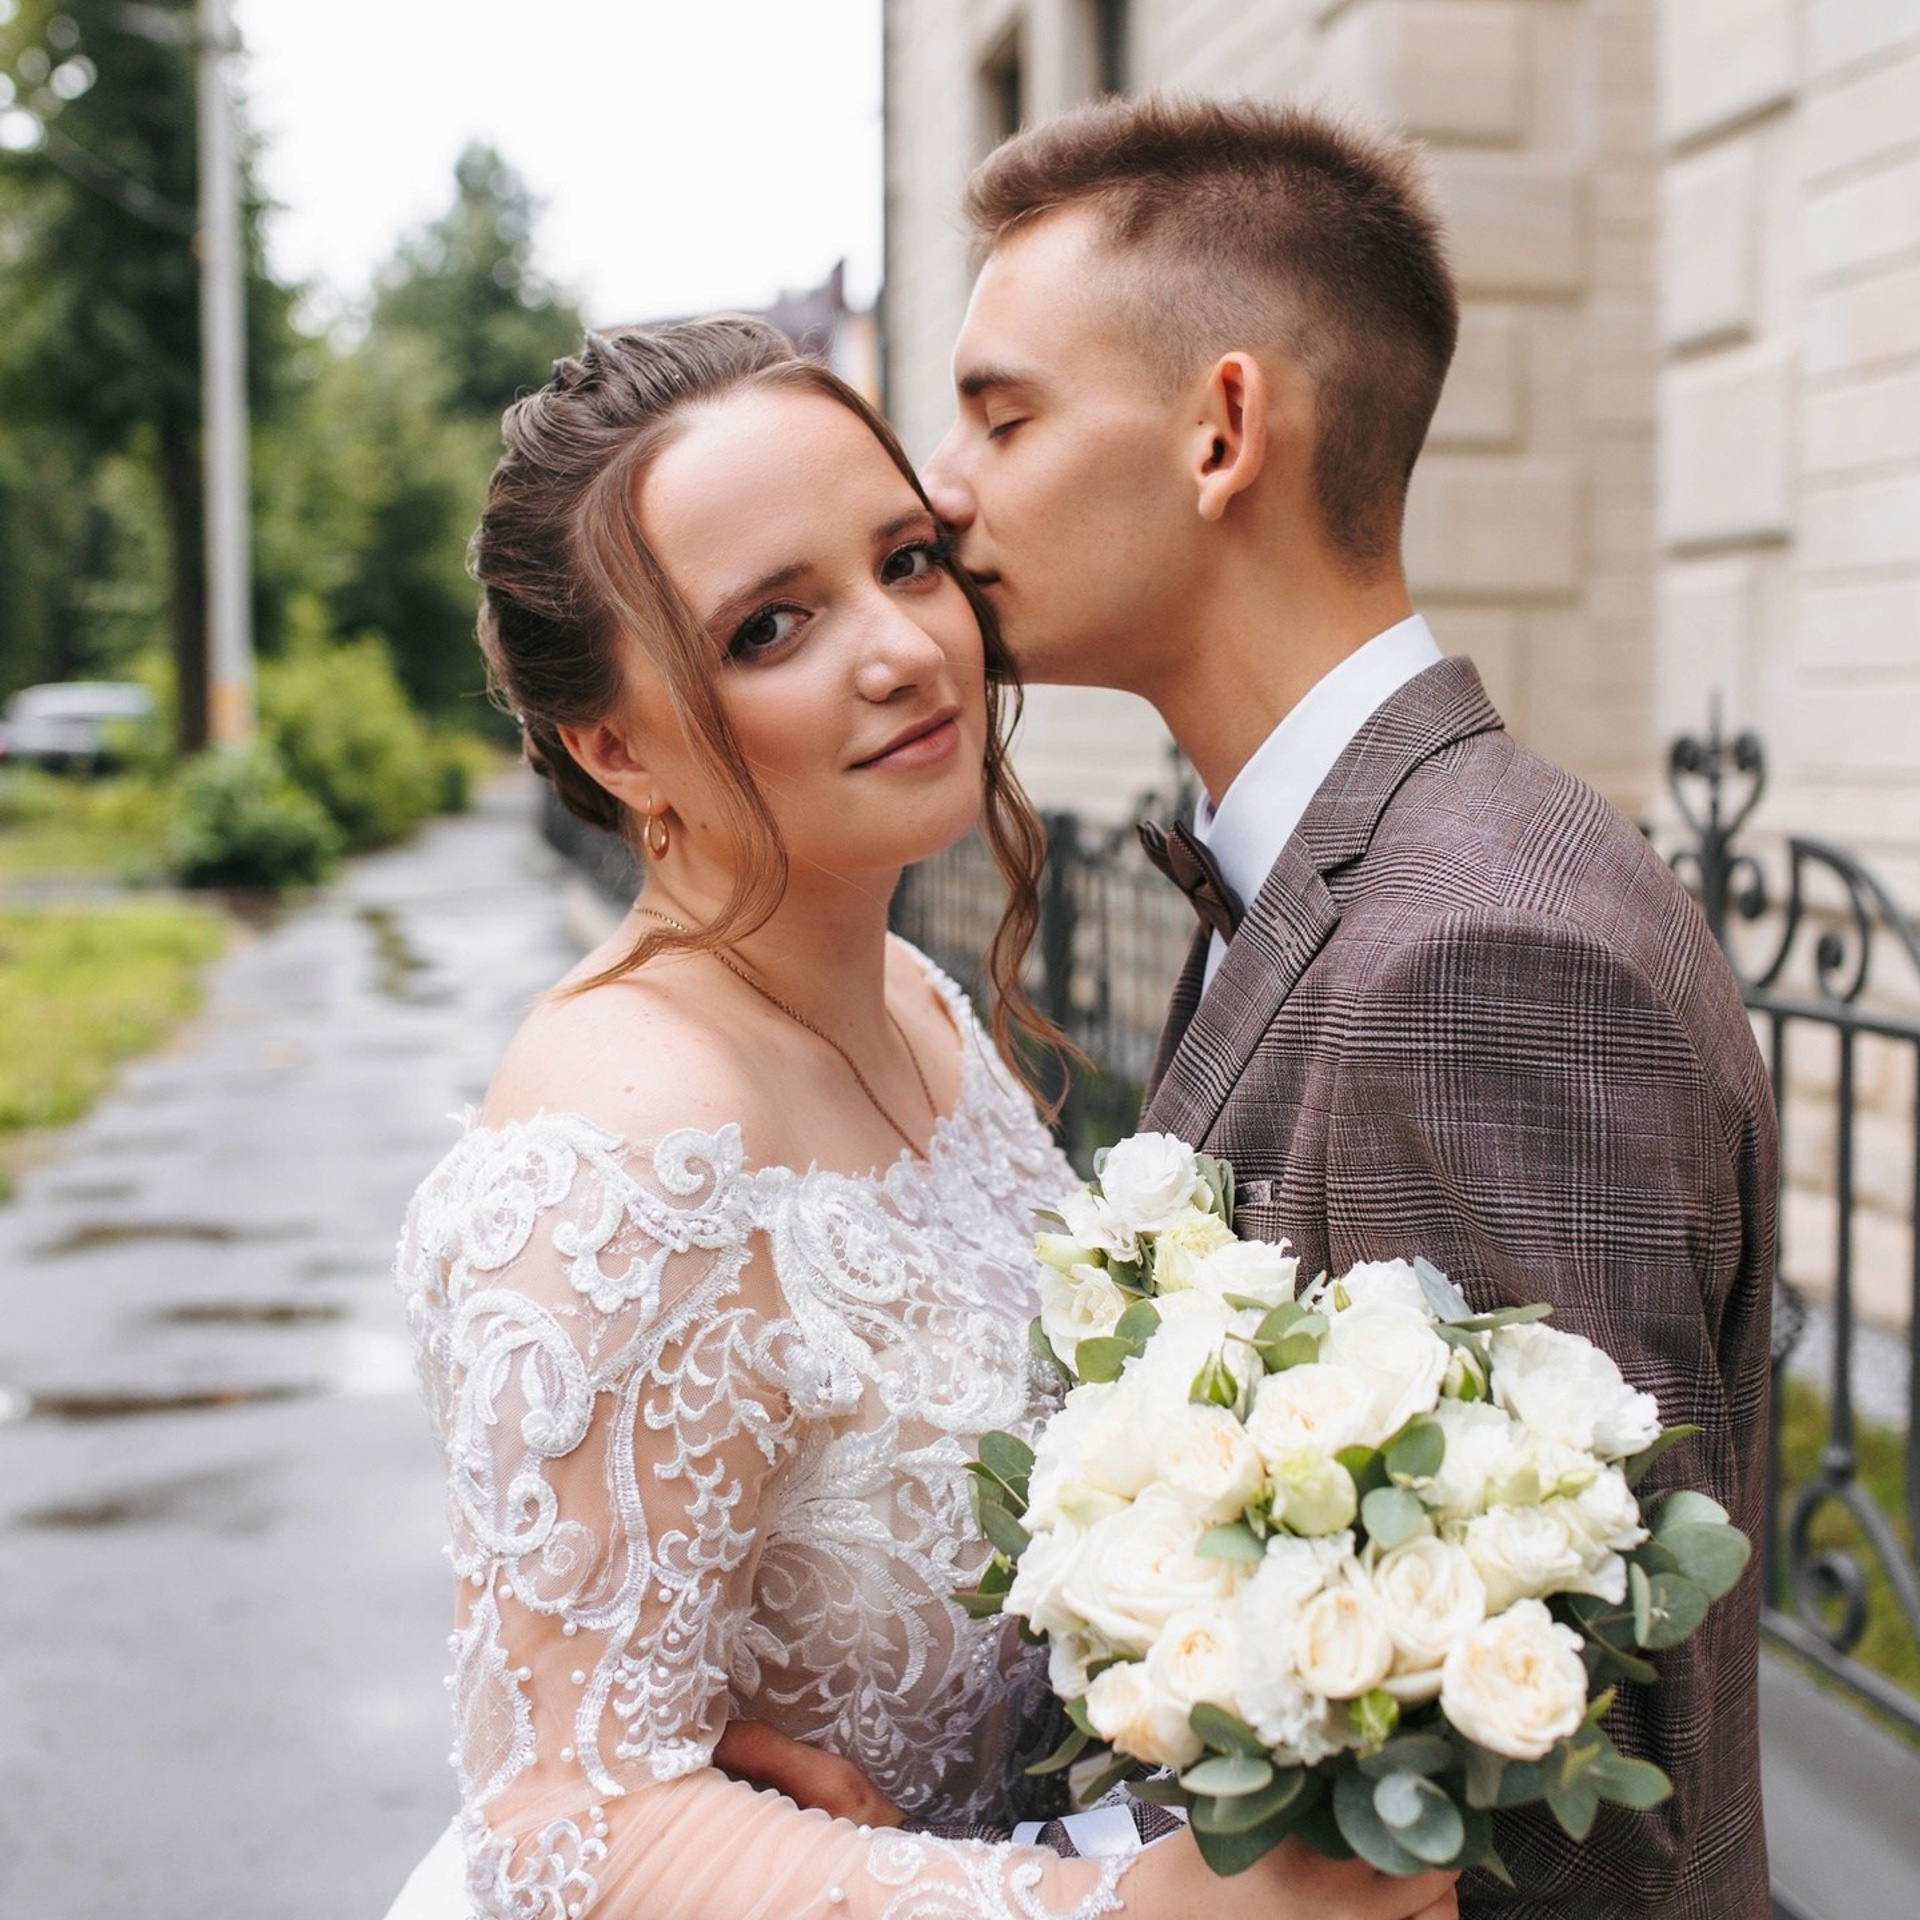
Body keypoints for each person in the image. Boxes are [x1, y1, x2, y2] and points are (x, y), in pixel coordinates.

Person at [385, 316, 1459, 1920]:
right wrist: (1136, 1913)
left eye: (904, 559)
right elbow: (565, 1830)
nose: (898, 648)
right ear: (612, 746)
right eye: (768, 628)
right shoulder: (620, 1148)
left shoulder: (913, 1002)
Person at [921, 96, 1777, 1920]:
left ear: (1223, 431)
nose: (941, 490)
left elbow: (1566, 1814)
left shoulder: (1480, 959)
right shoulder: (1343, 866)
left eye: (1002, 416)